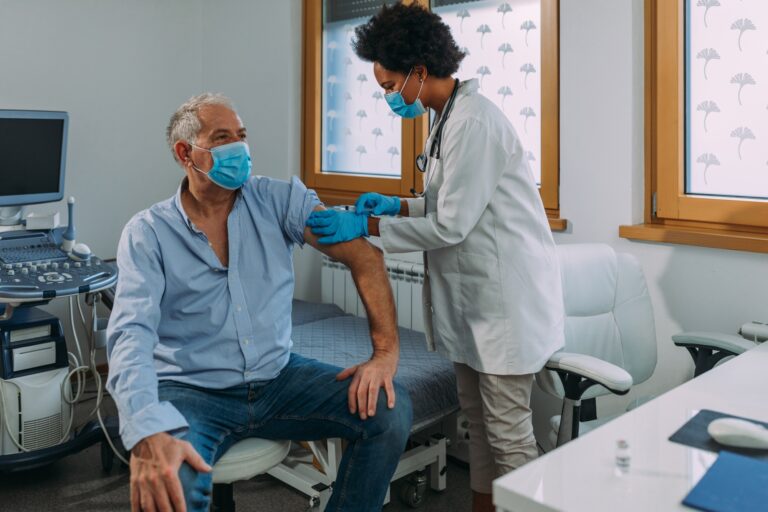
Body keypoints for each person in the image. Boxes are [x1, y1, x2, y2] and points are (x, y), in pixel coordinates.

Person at [306, 4, 564, 512]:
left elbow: (451, 224)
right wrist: (400, 204)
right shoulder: (445, 118)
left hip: (504, 312)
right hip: (476, 311)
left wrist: (369, 225)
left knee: (510, 439)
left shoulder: (475, 123)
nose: (385, 97)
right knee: (480, 425)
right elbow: (449, 202)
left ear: (419, 73)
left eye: (387, 85)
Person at [106, 92, 412, 512]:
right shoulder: (148, 233)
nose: (239, 147)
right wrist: (145, 428)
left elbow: (365, 258)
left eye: (242, 136)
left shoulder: (278, 201)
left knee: (390, 414)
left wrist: (384, 355)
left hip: (279, 377)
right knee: (176, 480)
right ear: (185, 153)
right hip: (192, 388)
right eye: (222, 137)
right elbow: (130, 335)